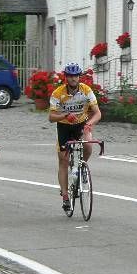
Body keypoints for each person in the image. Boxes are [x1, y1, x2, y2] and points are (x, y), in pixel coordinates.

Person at [48, 62, 102, 211]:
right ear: (66, 77)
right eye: (70, 76)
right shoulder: (58, 93)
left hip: (81, 124)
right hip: (64, 126)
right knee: (63, 160)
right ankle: (65, 195)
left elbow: (97, 113)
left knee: (88, 145)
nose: (73, 79)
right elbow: (51, 117)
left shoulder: (86, 90)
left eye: (76, 76)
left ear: (79, 77)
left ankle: (81, 167)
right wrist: (64, 114)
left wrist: (89, 124)